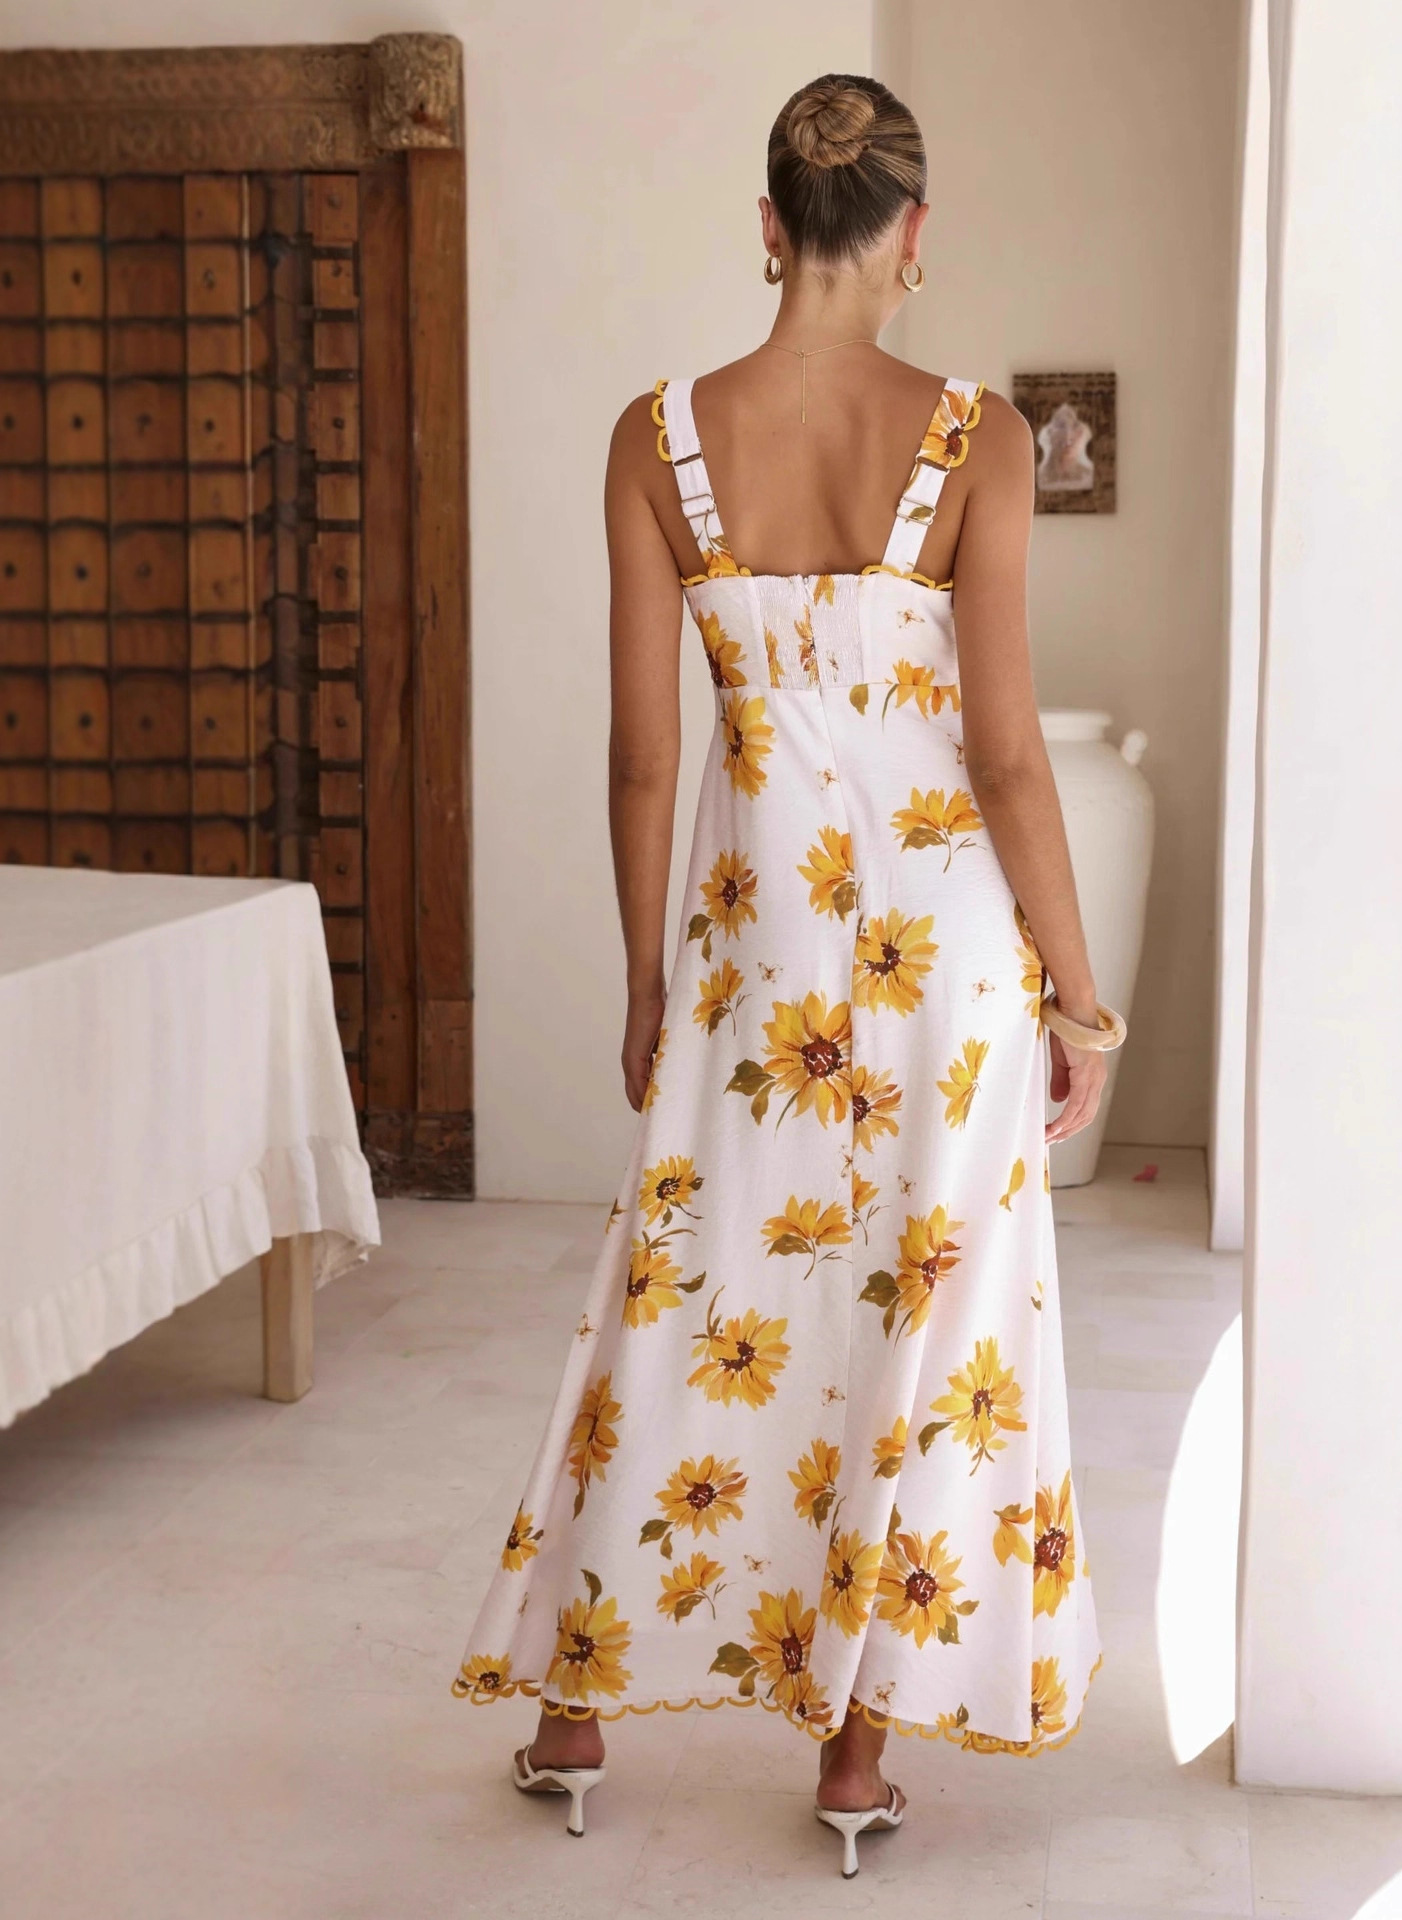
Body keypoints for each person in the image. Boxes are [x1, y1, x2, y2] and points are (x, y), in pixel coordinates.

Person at [453, 71, 1120, 1879]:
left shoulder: (653, 438)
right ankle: (851, 1752)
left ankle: (575, 1715)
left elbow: (641, 757)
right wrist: (1078, 999)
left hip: (755, 956)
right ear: (913, 238)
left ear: (768, 227)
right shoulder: (977, 440)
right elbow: (1006, 759)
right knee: (919, 1316)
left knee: (689, 1289)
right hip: (944, 969)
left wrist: (645, 979)